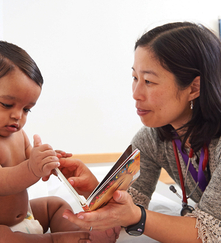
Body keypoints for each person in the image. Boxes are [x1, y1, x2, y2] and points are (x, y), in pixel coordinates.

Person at [60, 22, 221, 242]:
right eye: (135, 78)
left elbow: (212, 231)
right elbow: (130, 203)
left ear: (193, 88)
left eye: (148, 81)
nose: (136, 94)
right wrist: (95, 190)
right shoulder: (152, 138)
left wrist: (137, 217)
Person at [0, 41, 120, 243]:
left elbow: (30, 160)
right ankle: (60, 240)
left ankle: (82, 232)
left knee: (54, 204)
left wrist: (48, 161)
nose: (17, 116)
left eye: (27, 109)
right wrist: (32, 168)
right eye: (7, 104)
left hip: (26, 215)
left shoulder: (17, 134)